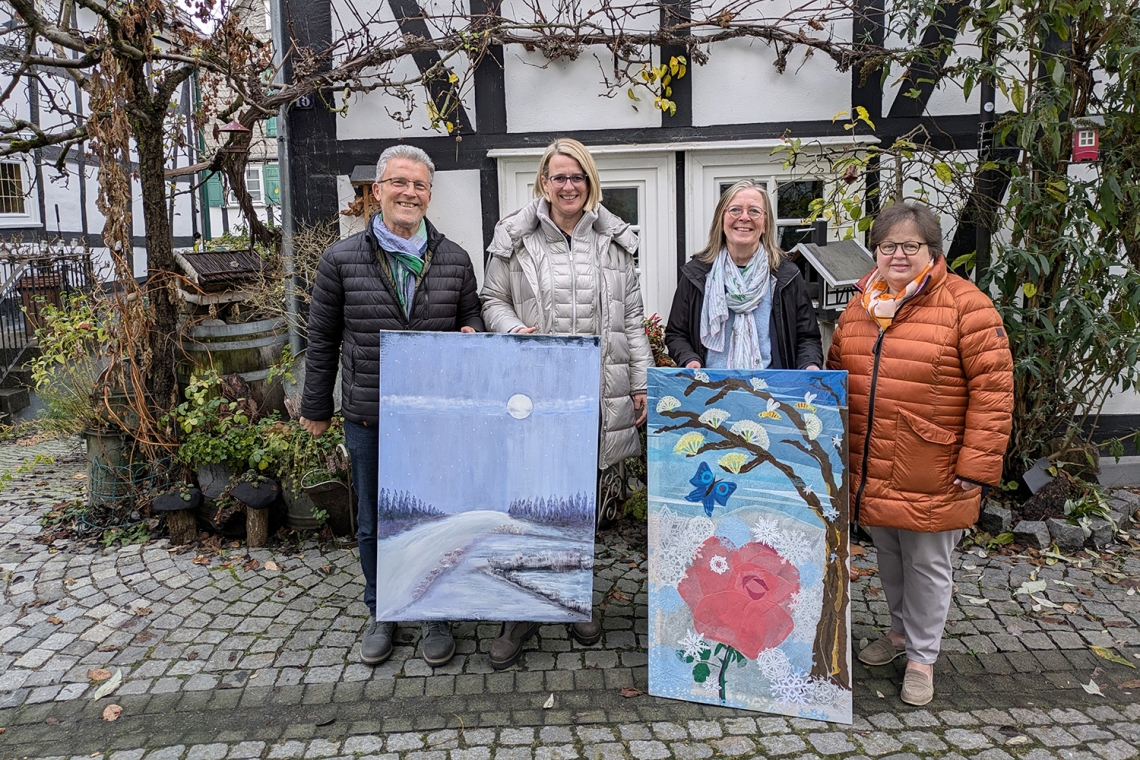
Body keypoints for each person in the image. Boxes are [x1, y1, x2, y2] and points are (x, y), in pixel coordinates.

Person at [300, 144, 484, 668]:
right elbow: (322, 339)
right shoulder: (340, 260)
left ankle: (435, 612)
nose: (409, 192)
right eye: (399, 183)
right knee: (375, 519)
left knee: (435, 515)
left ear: (429, 195)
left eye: (420, 185)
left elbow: (471, 318)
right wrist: (316, 407)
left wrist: (474, 330)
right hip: (369, 413)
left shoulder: (453, 258)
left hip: (436, 418)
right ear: (376, 191)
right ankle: (384, 610)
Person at [827, 201, 1013, 706]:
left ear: (933, 251)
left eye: (912, 245)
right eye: (889, 246)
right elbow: (834, 375)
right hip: (871, 462)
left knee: (928, 563)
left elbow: (994, 392)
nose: (899, 255)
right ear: (877, 252)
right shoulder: (862, 302)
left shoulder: (966, 305)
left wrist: (976, 467)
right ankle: (899, 633)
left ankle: (922, 659)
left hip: (932, 465)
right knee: (889, 556)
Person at [480, 137, 653, 669]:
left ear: (590, 181)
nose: (569, 185)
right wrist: (515, 330)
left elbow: (631, 318)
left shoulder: (616, 242)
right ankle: (521, 611)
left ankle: (574, 598)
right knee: (528, 502)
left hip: (597, 393)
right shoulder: (514, 237)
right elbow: (492, 299)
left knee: (580, 505)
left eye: (577, 176)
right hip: (535, 392)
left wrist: (642, 382)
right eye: (559, 176)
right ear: (543, 182)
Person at [664, 179, 822, 371]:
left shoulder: (785, 276)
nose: (744, 217)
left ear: (765, 224)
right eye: (735, 210)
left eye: (754, 211)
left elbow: (807, 337)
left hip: (770, 391)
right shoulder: (696, 274)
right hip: (711, 391)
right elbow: (676, 334)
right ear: (721, 220)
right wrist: (690, 360)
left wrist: (810, 365)